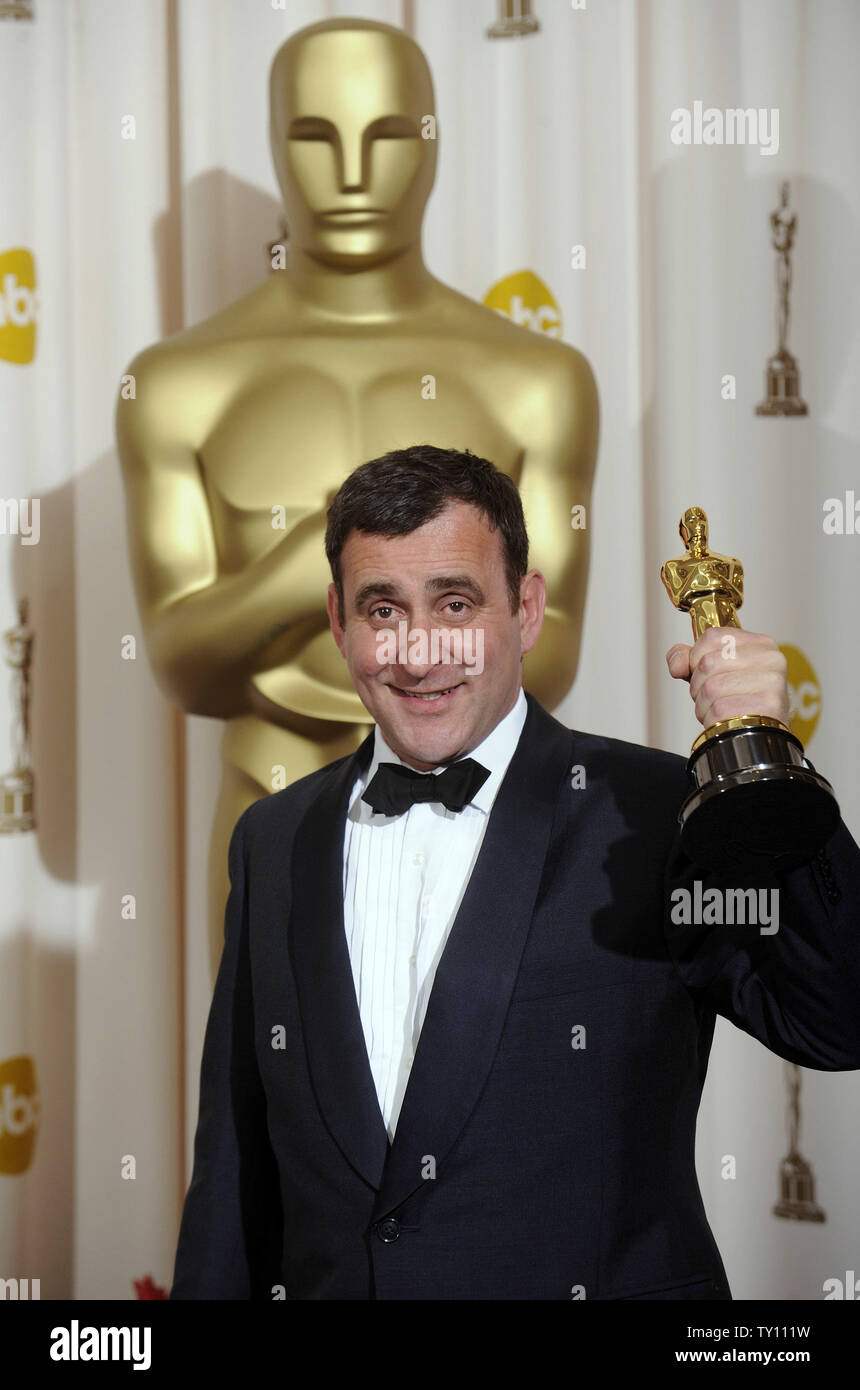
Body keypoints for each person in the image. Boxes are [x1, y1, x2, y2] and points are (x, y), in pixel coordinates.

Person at [170, 445, 860, 1301]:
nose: (418, 655)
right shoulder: (272, 837)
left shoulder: (653, 812)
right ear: (339, 622)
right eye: (383, 609)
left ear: (526, 610)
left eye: (455, 603)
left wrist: (764, 760)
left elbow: (840, 1020)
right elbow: (235, 1172)